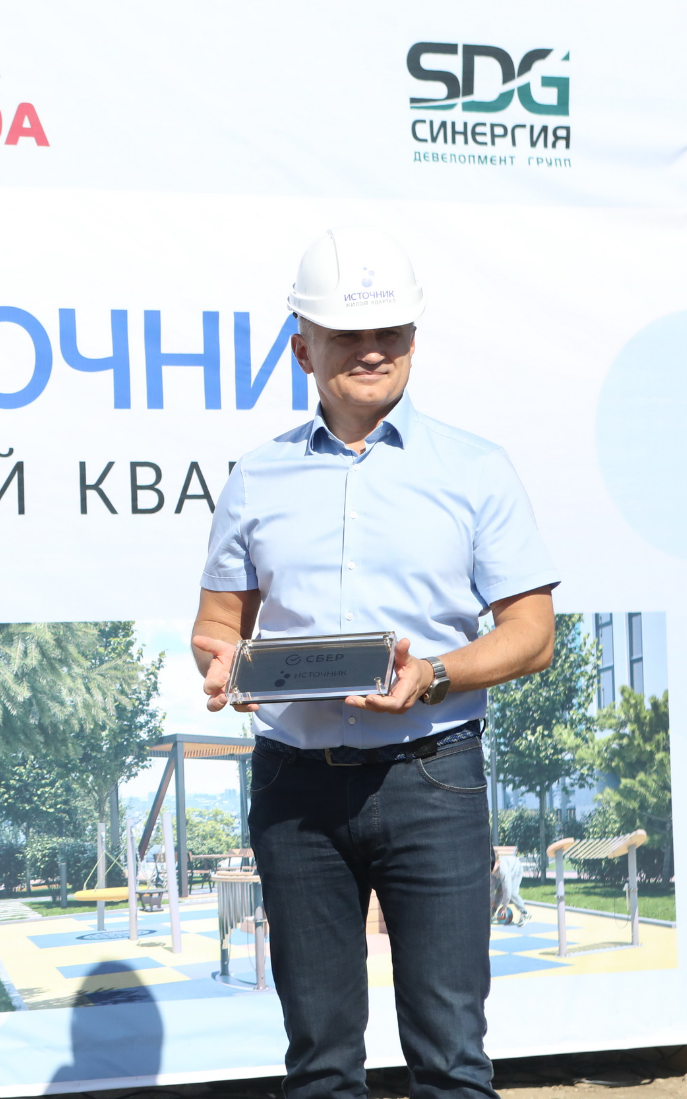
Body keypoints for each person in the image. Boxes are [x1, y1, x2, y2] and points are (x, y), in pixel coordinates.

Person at [191, 228, 559, 1099]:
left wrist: (433, 675)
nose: (370, 350)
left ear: (414, 342)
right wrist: (222, 665)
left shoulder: (476, 470)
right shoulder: (255, 478)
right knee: (320, 1062)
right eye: (346, 334)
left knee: (452, 1058)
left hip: (432, 777)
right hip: (295, 791)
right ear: (302, 350)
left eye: (389, 332)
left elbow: (533, 633)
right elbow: (217, 623)